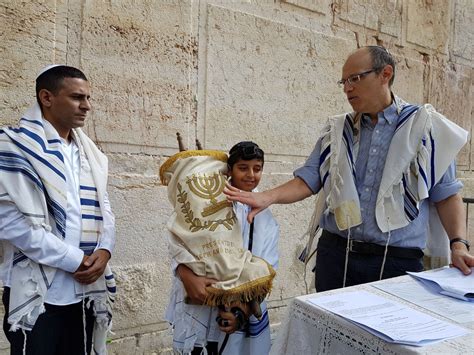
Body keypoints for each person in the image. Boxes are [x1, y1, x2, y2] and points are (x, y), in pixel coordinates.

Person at [225, 46, 473, 292]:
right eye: (343, 81)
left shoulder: (424, 128)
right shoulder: (337, 130)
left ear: (385, 74)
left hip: (397, 261)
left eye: (355, 78)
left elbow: (446, 194)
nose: (347, 88)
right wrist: (266, 197)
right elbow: (309, 179)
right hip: (336, 255)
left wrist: (458, 245)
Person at [0, 65, 116, 354]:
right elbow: (11, 223)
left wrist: (105, 251)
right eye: (77, 97)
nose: (87, 106)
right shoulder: (13, 146)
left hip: (86, 291)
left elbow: (105, 208)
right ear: (46, 97)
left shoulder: (91, 153)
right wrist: (75, 260)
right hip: (38, 290)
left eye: (88, 98)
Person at [165, 141, 279, 354]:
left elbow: (268, 263)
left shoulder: (264, 214)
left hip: (239, 306)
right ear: (229, 170)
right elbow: (179, 242)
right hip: (200, 299)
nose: (251, 175)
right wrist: (186, 274)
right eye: (243, 168)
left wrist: (242, 309)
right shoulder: (203, 204)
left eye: (257, 168)